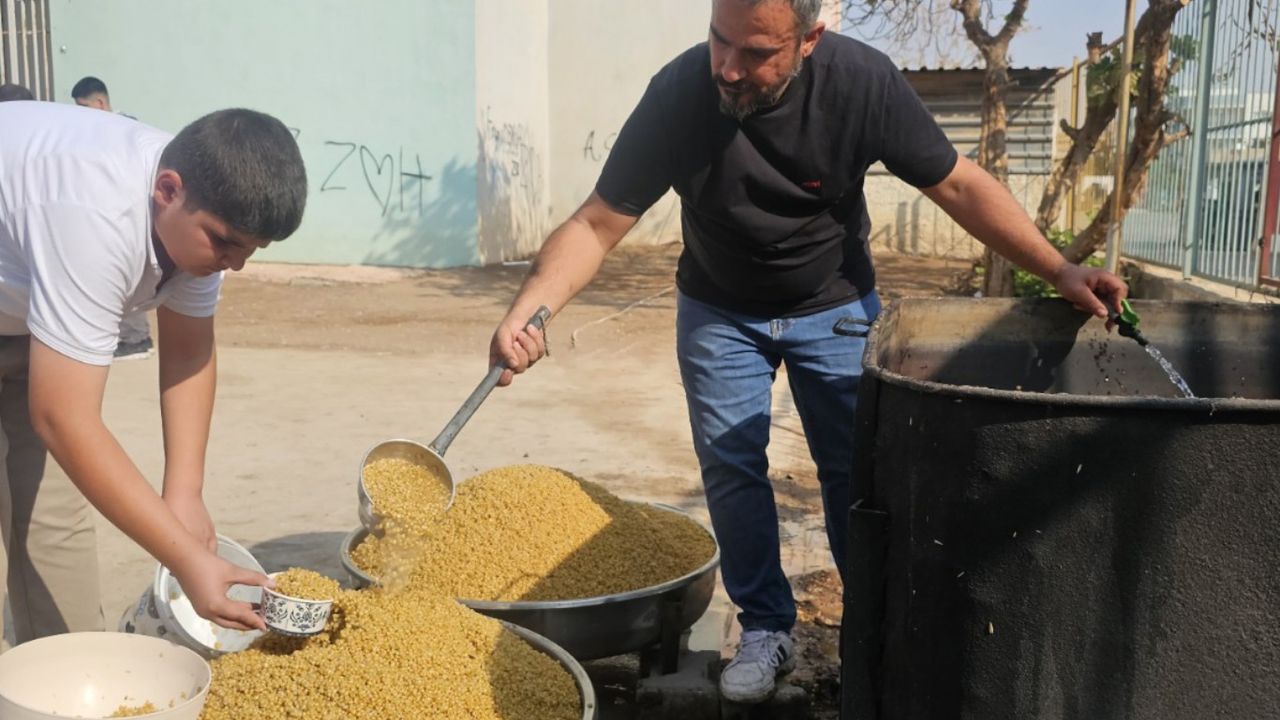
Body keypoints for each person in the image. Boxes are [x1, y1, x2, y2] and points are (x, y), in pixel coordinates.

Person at [489, 0, 1129, 704]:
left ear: (810, 39)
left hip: (835, 304)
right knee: (731, 464)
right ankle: (766, 628)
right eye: (719, 41)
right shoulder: (678, 93)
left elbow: (955, 182)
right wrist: (530, 309)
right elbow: (595, 223)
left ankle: (875, 627)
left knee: (858, 471)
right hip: (718, 308)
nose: (729, 69)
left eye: (756, 53)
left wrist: (1058, 270)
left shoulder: (862, 83)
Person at [0, 101, 308, 645]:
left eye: (251, 250)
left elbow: (188, 353)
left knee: (54, 525)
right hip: (37, 288)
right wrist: (186, 558)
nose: (236, 264)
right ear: (167, 189)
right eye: (226, 243)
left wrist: (184, 492)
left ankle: (71, 675)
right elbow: (62, 416)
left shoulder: (201, 208)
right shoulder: (94, 215)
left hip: (21, 319)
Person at [71, 76, 151, 359]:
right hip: (104, 216)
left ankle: (136, 339)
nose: (79, 113)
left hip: (126, 217)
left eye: (83, 106)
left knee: (127, 281)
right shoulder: (100, 131)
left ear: (100, 103)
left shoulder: (125, 129)